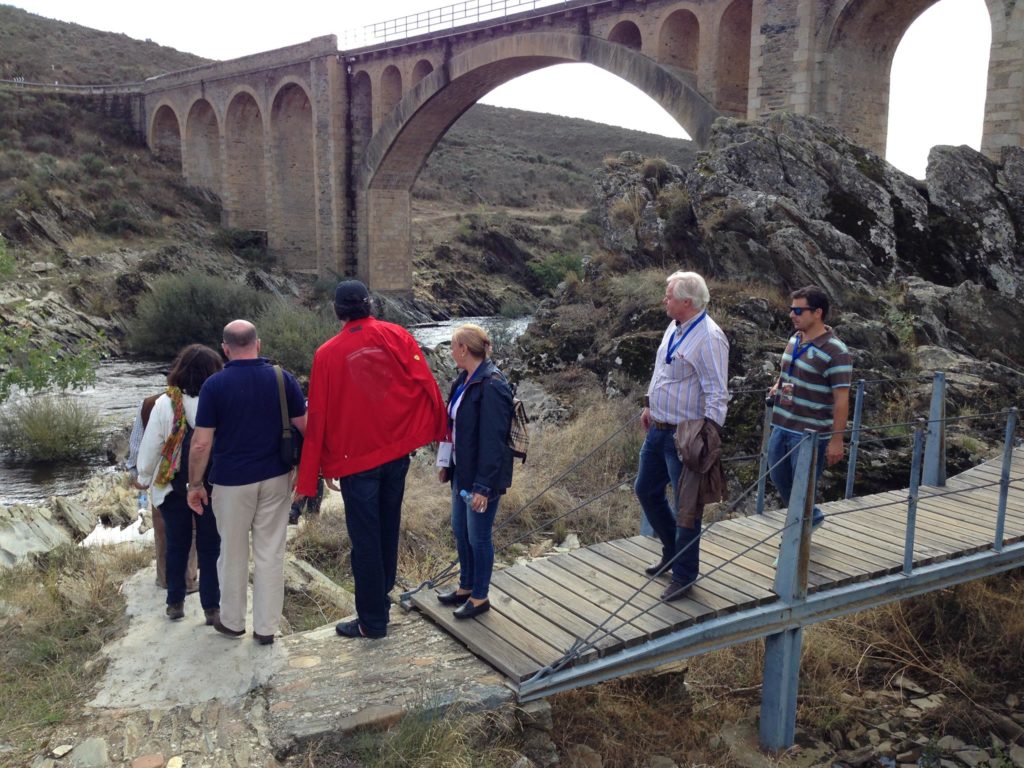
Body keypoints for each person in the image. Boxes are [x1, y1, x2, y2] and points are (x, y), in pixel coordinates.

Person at [297, 280, 446, 640]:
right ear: (370, 305)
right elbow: (423, 383)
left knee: (365, 540)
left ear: (337, 310)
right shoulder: (397, 335)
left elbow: (319, 416)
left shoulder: (327, 354)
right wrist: (436, 429)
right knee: (387, 529)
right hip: (396, 455)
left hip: (355, 462)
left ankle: (372, 622)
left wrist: (318, 472)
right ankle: (380, 602)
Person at [186, 320, 306, 646]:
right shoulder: (284, 379)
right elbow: (305, 427)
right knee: (270, 552)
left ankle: (233, 621)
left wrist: (194, 484)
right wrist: (307, 472)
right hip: (276, 476)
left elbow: (200, 444)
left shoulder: (214, 385)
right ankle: (266, 629)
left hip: (230, 482)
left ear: (225, 348)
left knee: (232, 552)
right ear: (259, 343)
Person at [635, 271, 729, 601]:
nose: (665, 299)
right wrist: (649, 403)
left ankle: (685, 575)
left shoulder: (709, 337)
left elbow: (717, 392)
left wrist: (708, 438)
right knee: (645, 490)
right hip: (659, 429)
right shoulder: (674, 326)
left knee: (687, 507)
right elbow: (661, 370)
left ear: (686, 302)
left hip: (686, 436)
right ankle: (672, 552)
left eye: (669, 295)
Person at [136, 345, 223, 623]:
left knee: (177, 544)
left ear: (180, 370)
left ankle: (175, 602)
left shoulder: (166, 403)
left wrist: (143, 476)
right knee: (211, 546)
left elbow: (152, 446)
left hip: (174, 485)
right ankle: (211, 607)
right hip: (213, 484)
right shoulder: (220, 399)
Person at [435, 324, 514, 619]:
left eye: (453, 346)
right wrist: (446, 464)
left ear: (464, 349)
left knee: (479, 537)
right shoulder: (463, 380)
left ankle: (480, 597)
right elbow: (453, 427)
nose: (451, 352)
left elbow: (494, 443)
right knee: (460, 530)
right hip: (460, 472)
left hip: (481, 479)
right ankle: (465, 586)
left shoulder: (492, 384)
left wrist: (483, 486)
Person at [767, 285, 852, 529]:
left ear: (817, 313)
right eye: (791, 310)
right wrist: (778, 385)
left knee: (802, 487)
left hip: (810, 433)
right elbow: (786, 370)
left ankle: (794, 541)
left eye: (798, 310)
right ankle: (810, 518)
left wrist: (837, 440)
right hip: (782, 423)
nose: (791, 315)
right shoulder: (795, 338)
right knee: (777, 476)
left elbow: (842, 399)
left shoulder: (836, 351)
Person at [128, 393, 198, 592]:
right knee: (192, 529)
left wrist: (139, 475)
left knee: (162, 528)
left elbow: (138, 444)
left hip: (160, 477)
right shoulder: (203, 399)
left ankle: (166, 577)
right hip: (194, 475)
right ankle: (189, 579)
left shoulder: (150, 403)